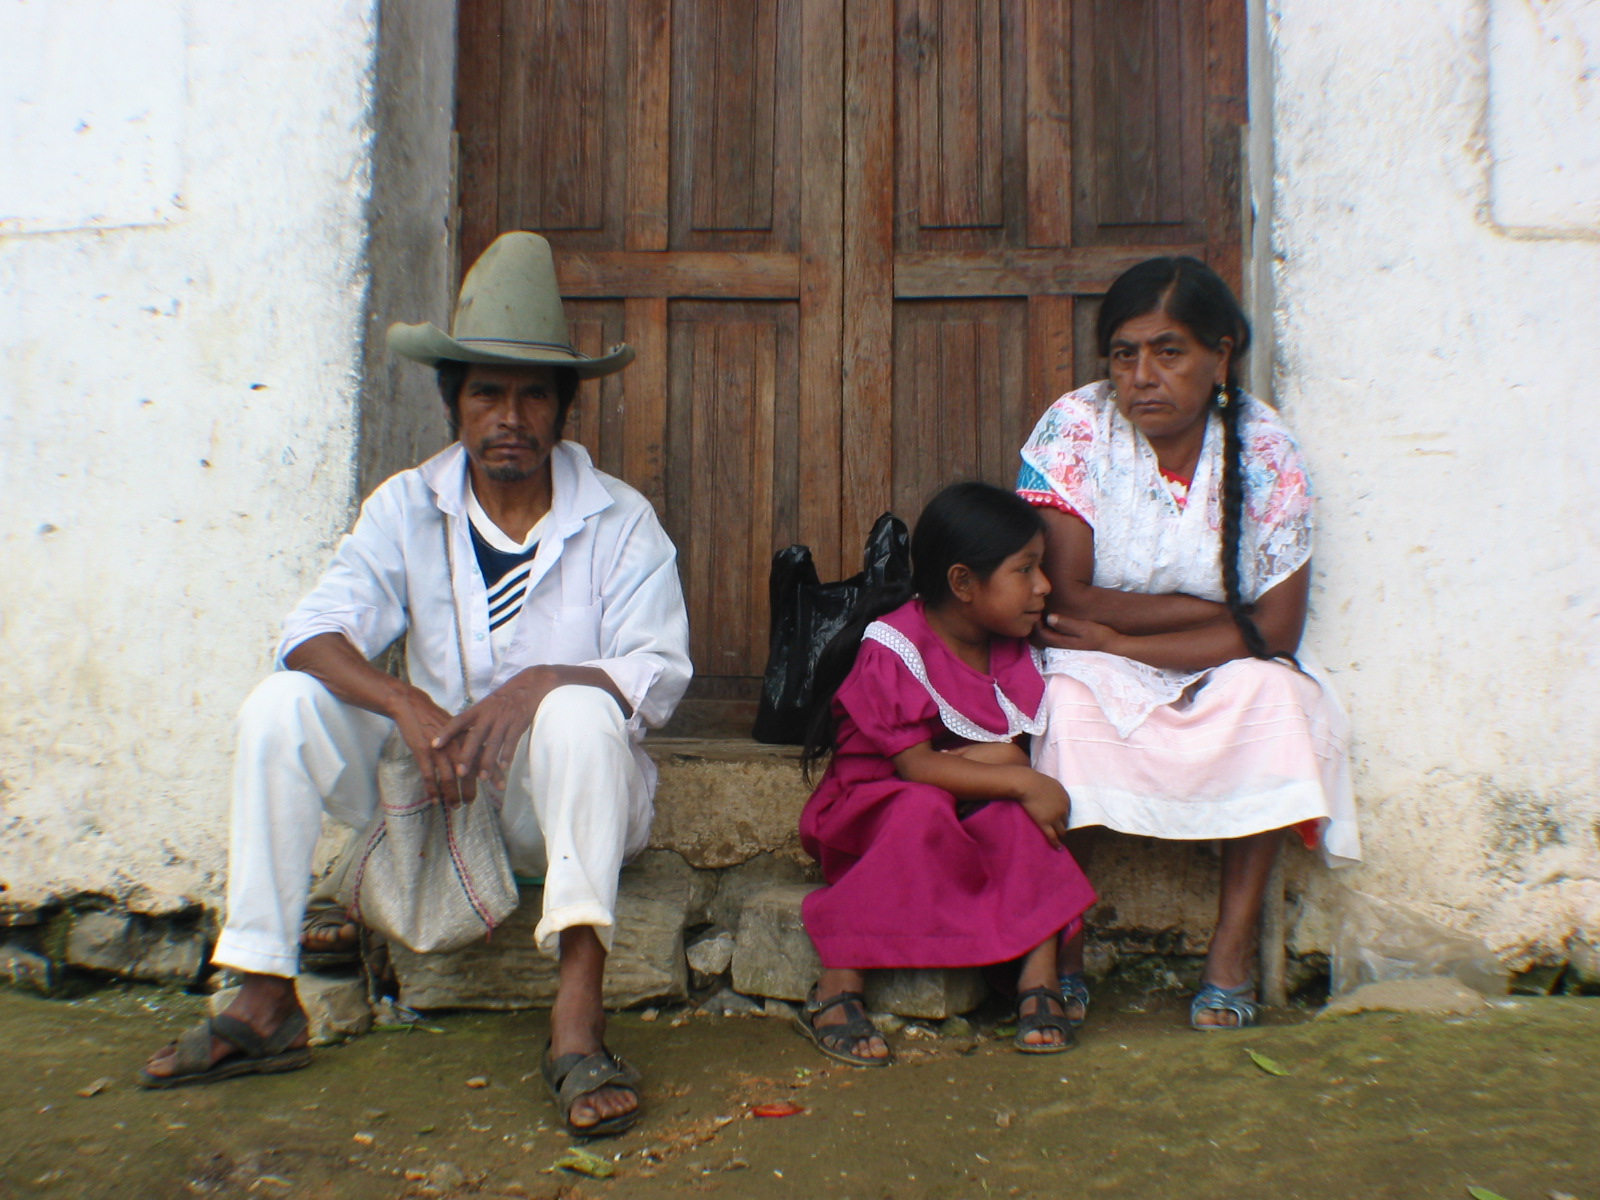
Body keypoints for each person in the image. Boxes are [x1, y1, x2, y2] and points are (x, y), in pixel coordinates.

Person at [139, 232, 692, 1136]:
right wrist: (404, 701)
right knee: (282, 705)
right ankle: (261, 995)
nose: (507, 416)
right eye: (485, 392)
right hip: (444, 788)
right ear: (453, 402)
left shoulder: (619, 519)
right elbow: (309, 632)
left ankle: (577, 1016)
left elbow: (660, 675)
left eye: (530, 395)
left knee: (584, 712)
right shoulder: (407, 505)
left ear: (562, 409)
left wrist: (541, 684)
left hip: (561, 806)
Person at [1016, 255, 1360, 1031]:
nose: (1143, 375)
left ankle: (1230, 954)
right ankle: (1063, 948)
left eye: (1169, 352)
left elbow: (1275, 631)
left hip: (1199, 659)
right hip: (1098, 657)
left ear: (1221, 355)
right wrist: (1205, 616)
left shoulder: (1265, 449)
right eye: (1125, 353)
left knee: (1274, 698)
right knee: (1066, 706)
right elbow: (1067, 600)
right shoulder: (1078, 427)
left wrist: (1126, 633)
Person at [794, 483, 1097, 1064]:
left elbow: (998, 752)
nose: (1045, 586)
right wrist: (1019, 775)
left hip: (960, 796)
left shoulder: (1010, 645)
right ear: (963, 584)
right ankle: (839, 982)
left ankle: (1040, 977)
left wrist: (1001, 769)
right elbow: (915, 768)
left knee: (1014, 821)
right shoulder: (894, 646)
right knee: (925, 808)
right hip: (871, 808)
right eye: (1026, 570)